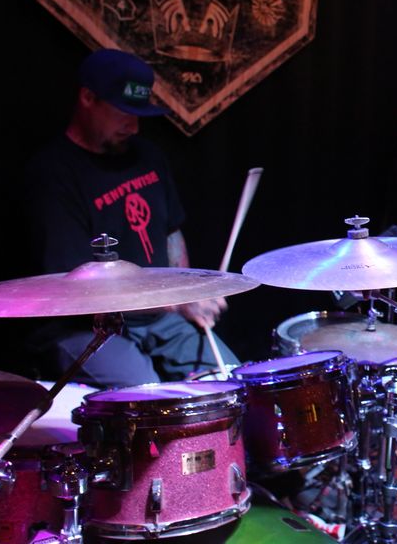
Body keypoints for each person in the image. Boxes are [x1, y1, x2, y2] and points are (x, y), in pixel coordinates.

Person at [23, 48, 239, 388]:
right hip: (87, 328)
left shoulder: (148, 156)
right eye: (124, 112)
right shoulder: (53, 174)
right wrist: (178, 302)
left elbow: (171, 234)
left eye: (139, 114)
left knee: (231, 381)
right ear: (88, 98)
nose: (134, 126)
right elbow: (77, 292)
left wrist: (187, 290)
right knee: (144, 395)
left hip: (159, 318)